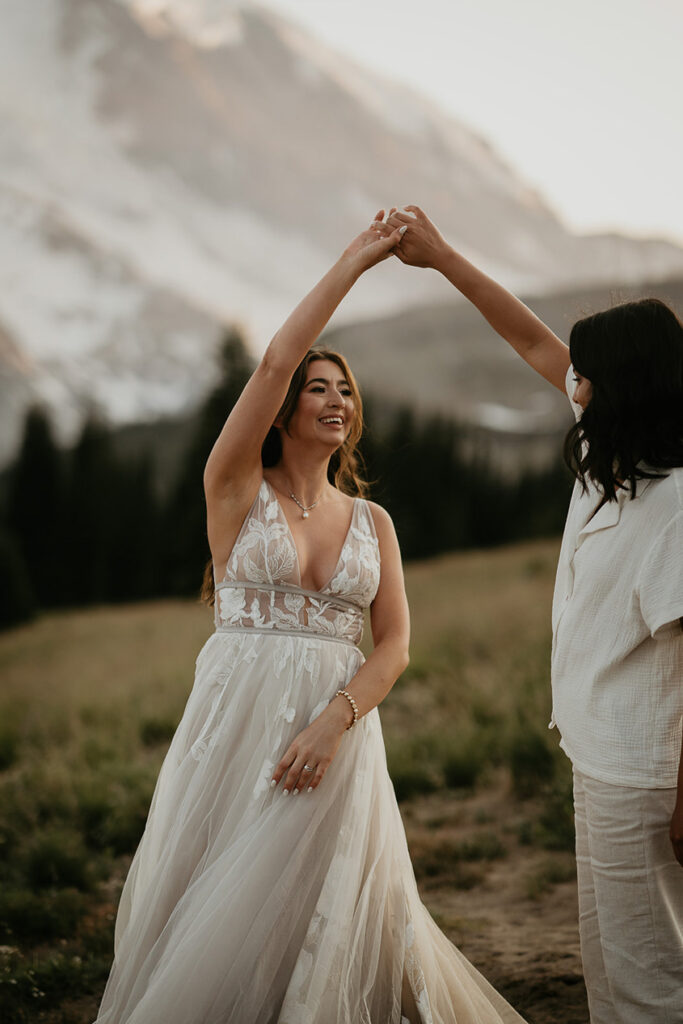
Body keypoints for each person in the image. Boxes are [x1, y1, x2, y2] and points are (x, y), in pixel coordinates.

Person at [94, 214, 528, 1024]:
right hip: (236, 724)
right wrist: (354, 263)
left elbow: (394, 644)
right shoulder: (233, 490)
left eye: (346, 390)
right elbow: (271, 360)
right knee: (219, 899)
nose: (335, 399)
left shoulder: (376, 524)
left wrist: (336, 720)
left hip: (339, 729)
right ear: (287, 407)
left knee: (323, 904)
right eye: (317, 387)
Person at [384, 205, 683, 1023]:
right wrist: (442, 256)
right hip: (600, 757)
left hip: (646, 775)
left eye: (583, 375)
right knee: (609, 960)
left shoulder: (676, 502)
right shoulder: (609, 458)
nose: (569, 384)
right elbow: (525, 337)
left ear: (623, 384)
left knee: (648, 977)